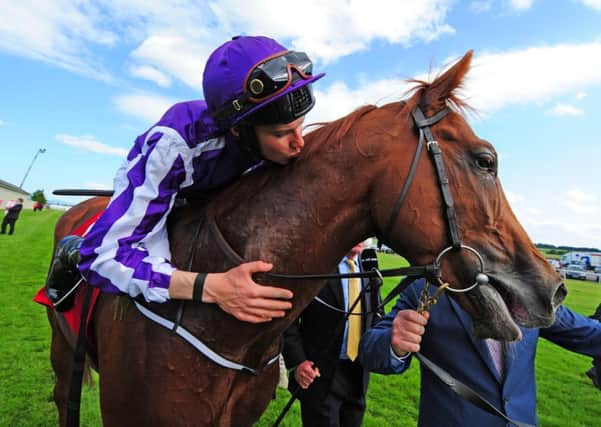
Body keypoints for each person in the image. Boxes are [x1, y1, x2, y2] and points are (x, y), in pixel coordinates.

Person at [45, 35, 325, 322]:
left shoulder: (269, 139)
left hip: (216, 188)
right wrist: (212, 287)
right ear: (239, 130)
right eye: (280, 134)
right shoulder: (173, 144)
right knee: (154, 278)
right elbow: (105, 258)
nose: (298, 143)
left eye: (299, 127)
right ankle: (73, 250)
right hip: (165, 182)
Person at [359, 278, 601, 427]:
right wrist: (394, 344)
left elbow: (586, 333)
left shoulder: (528, 291)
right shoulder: (427, 287)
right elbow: (370, 351)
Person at [283, 242, 382, 427]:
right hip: (319, 375)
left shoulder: (369, 266)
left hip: (358, 375)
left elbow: (377, 315)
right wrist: (297, 362)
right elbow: (288, 319)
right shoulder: (315, 264)